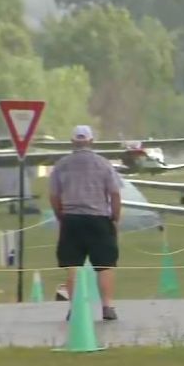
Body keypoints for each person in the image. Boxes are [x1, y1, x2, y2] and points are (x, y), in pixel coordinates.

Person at [49, 124, 123, 321]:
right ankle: (107, 306)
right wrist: (115, 218)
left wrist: (61, 216)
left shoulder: (61, 165)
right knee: (105, 265)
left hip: (72, 219)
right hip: (99, 218)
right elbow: (114, 193)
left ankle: (76, 308)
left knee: (73, 265)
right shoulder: (104, 164)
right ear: (91, 141)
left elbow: (54, 195)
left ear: (73, 141)